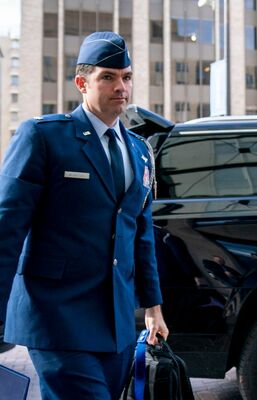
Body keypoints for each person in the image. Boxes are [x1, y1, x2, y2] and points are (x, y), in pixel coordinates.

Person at [0, 31, 168, 399]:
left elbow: (141, 235)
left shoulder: (140, 150)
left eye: (126, 77)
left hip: (116, 323)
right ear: (82, 83)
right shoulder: (44, 137)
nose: (121, 87)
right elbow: (7, 228)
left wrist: (152, 307)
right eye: (108, 77)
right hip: (56, 316)